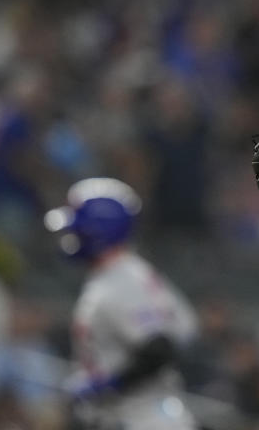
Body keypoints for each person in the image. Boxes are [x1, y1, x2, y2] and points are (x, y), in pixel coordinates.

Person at [44, 177, 199, 430]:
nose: (71, 235)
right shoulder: (125, 274)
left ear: (97, 229)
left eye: (77, 228)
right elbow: (185, 329)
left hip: (143, 419)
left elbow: (160, 347)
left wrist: (108, 384)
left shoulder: (125, 280)